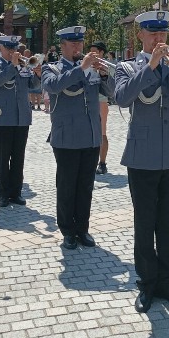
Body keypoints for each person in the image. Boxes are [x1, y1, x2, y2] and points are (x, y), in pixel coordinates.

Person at [114, 10, 169, 314]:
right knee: (145, 222)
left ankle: (165, 278)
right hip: (142, 158)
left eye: (163, 34)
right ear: (140, 35)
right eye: (153, 34)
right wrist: (150, 66)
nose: (160, 40)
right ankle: (147, 281)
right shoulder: (128, 67)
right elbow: (123, 98)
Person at [42, 28, 115, 249]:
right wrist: (81, 69)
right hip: (66, 138)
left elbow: (111, 92)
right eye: (73, 44)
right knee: (66, 187)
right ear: (62, 45)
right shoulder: (51, 68)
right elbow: (53, 86)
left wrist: (103, 74)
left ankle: (82, 228)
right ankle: (67, 231)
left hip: (91, 136)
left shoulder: (92, 68)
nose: (78, 48)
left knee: (85, 187)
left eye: (80, 43)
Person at [0, 35, 41, 208]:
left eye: (14, 48)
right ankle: (3, 194)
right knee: (2, 158)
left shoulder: (24, 66)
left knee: (18, 158)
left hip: (21, 118)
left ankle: (16, 192)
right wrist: (12, 66)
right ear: (0, 48)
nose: (12, 52)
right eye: (8, 48)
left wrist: (37, 74)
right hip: (2, 118)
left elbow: (34, 86)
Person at [88, 40, 112, 175]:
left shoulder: (106, 65)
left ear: (101, 52)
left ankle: (102, 163)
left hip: (101, 100)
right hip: (88, 101)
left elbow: (111, 87)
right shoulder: (87, 63)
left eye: (95, 51)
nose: (92, 54)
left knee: (102, 133)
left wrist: (103, 72)